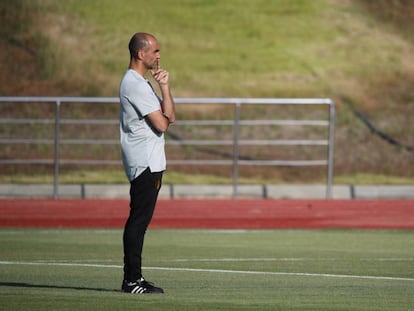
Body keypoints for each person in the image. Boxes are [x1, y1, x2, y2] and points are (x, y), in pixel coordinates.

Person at [119, 32, 175, 294]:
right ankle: (132, 280)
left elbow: (170, 116)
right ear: (141, 54)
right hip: (144, 162)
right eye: (155, 51)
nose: (158, 55)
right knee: (138, 221)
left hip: (151, 161)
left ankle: (134, 278)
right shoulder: (135, 84)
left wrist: (164, 86)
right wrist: (163, 112)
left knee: (140, 220)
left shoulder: (143, 83)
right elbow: (162, 124)